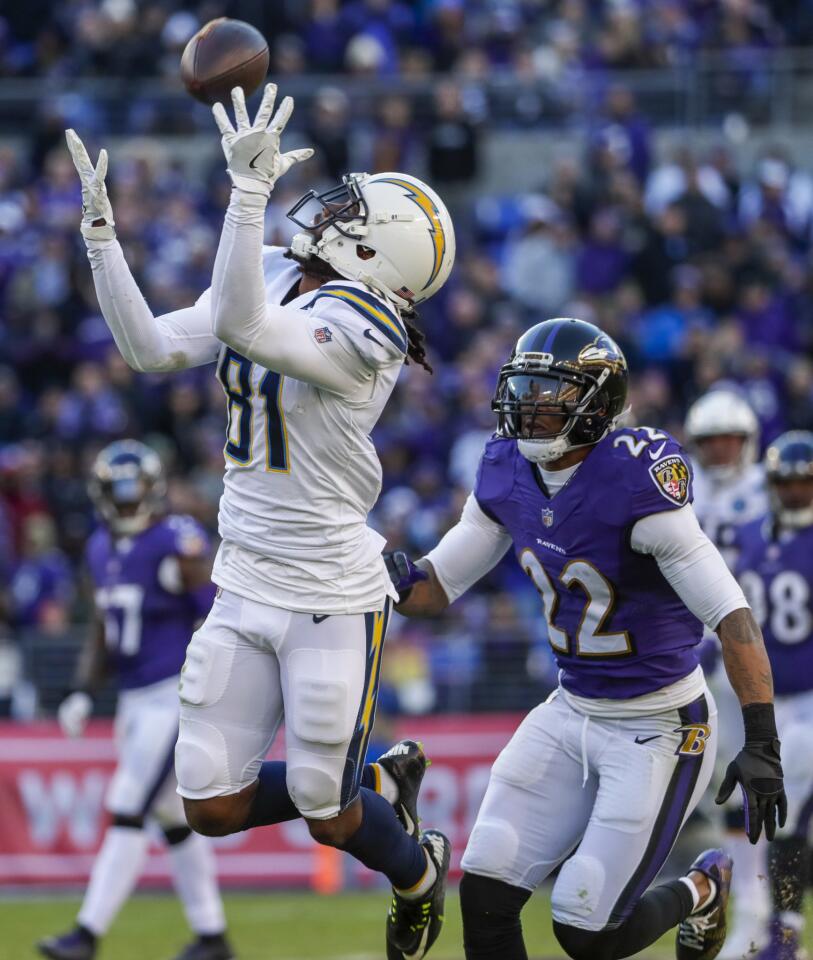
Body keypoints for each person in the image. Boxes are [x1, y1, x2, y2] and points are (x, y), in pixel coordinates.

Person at [65, 82, 456, 960]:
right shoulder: (284, 270)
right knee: (208, 806)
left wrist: (244, 199)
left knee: (327, 812)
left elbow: (243, 323)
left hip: (329, 587)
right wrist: (101, 243)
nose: (319, 209)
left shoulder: (372, 328)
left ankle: (417, 876)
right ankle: (380, 779)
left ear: (374, 250)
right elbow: (151, 349)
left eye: (349, 211)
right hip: (243, 572)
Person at [385, 317, 787, 960]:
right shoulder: (506, 467)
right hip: (571, 707)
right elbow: (438, 586)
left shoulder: (635, 480)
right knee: (484, 888)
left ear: (597, 406)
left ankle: (704, 887)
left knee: (584, 930)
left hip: (660, 721)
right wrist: (385, 574)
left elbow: (730, 613)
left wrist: (761, 739)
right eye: (526, 387)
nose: (530, 406)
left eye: (552, 393)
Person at [38, 441, 232, 960]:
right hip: (132, 699)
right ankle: (212, 937)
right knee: (170, 815)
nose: (126, 506)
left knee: (128, 804)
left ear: (152, 491)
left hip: (173, 692)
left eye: (133, 495)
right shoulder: (100, 549)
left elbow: (221, 609)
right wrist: (83, 688)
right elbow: (104, 626)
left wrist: (210, 672)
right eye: (117, 496)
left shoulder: (176, 539)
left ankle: (86, 933)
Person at [685, 389, 772, 960]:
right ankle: (741, 905)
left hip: (761, 656)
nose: (719, 452)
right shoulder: (679, 484)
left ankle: (764, 912)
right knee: (726, 794)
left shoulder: (770, 490)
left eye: (728, 440)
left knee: (761, 788)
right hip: (696, 658)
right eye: (710, 441)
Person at [736, 432, 813, 960]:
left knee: (789, 812)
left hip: (809, 698)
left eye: (802, 480)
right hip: (768, 703)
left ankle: (784, 930)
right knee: (780, 814)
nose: (793, 489)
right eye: (785, 480)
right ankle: (776, 924)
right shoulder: (749, 537)